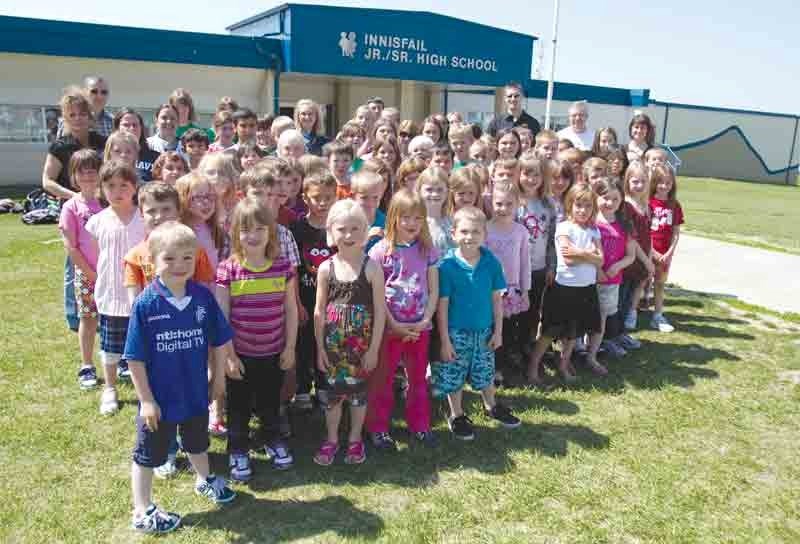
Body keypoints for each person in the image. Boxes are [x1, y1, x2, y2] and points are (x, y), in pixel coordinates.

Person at [125, 221, 236, 534]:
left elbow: (217, 340)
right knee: (148, 454)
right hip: (160, 398)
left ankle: (205, 480)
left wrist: (217, 378)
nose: (179, 265)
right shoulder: (146, 304)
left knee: (197, 441)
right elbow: (134, 357)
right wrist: (146, 400)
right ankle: (142, 509)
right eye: (169, 258)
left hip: (195, 391)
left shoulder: (202, 298)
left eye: (187, 258)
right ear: (153, 260)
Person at [216, 198, 299, 480]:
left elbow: (290, 310)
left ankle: (273, 439)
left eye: (260, 229)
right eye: (245, 229)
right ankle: (238, 449)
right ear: (234, 232)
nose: (252, 236)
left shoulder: (283, 268)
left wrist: (289, 347)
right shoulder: (227, 270)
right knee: (238, 407)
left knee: (269, 402)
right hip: (239, 354)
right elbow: (222, 316)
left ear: (271, 232)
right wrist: (229, 356)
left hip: (273, 351)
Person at [432, 206, 521, 440]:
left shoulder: (491, 262)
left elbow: (496, 300)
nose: (469, 237)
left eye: (475, 232)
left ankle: (492, 406)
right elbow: (441, 307)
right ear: (453, 234)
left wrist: (498, 331)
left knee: (485, 371)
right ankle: (457, 414)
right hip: (455, 333)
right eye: (464, 231)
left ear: (484, 234)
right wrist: (444, 341)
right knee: (454, 374)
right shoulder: (447, 266)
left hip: (483, 331)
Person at [313, 199, 386, 465]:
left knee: (357, 395)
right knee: (333, 396)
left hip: (361, 349)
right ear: (331, 232)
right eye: (342, 229)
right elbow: (319, 311)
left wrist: (374, 350)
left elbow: (380, 312)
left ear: (365, 231)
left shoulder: (372, 268)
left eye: (356, 229)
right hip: (332, 348)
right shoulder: (325, 268)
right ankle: (331, 439)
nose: (349, 235)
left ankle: (355, 439)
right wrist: (320, 348)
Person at [366, 189, 439, 449]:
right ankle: (378, 428)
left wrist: (426, 319)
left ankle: (419, 424)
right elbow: (377, 294)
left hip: (420, 327)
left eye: (418, 218)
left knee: (418, 379)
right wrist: (393, 325)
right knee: (382, 380)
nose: (412, 224)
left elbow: (433, 289)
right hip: (389, 328)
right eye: (406, 217)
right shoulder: (379, 252)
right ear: (394, 217)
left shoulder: (427, 250)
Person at [527, 184, 603, 385]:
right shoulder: (564, 227)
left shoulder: (594, 230)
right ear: (570, 205)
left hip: (585, 288)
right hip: (563, 288)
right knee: (550, 331)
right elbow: (568, 258)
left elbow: (601, 259)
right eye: (578, 205)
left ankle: (563, 365)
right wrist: (590, 255)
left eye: (588, 206)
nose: (583, 210)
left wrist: (585, 255)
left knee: (573, 333)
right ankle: (533, 367)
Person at [85, 161, 146, 414]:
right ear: (102, 188)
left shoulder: (144, 219)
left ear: (134, 187)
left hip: (140, 296)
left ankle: (146, 390)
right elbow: (98, 255)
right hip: (111, 295)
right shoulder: (98, 221)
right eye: (110, 186)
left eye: (124, 185)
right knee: (110, 348)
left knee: (143, 347)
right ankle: (110, 388)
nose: (117, 191)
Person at [290, 170, 338, 411]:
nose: (323, 203)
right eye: (317, 197)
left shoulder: (338, 229)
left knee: (325, 344)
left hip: (331, 302)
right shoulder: (297, 229)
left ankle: (323, 385)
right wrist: (297, 303)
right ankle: (301, 388)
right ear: (305, 198)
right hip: (305, 298)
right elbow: (294, 270)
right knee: (303, 345)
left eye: (328, 197)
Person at [58, 149, 104, 389]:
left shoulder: (108, 202)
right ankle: (87, 365)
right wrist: (91, 275)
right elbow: (72, 247)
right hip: (86, 274)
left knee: (115, 319)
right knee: (88, 319)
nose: (88, 175)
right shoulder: (71, 207)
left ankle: (120, 360)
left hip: (111, 273)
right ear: (74, 176)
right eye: (81, 171)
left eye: (92, 170)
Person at [516, 156, 557, 385]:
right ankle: (511, 353)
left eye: (536, 175)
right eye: (526, 173)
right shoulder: (514, 203)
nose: (531, 179)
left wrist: (552, 265)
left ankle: (527, 350)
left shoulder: (548, 206)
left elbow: (551, 240)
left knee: (533, 313)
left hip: (539, 268)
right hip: (516, 270)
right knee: (514, 314)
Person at [588, 178, 637, 371]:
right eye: (605, 198)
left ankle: (592, 354)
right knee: (584, 315)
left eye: (615, 199)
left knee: (601, 317)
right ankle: (579, 348)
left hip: (611, 281)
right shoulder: (590, 222)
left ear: (621, 200)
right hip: (588, 278)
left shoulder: (625, 225)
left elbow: (631, 255)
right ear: (596, 197)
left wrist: (616, 267)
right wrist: (597, 269)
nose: (609, 203)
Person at [486, 182, 531, 387]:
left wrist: (526, 290)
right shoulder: (485, 229)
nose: (503, 208)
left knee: (505, 333)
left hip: (512, 291)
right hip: (488, 291)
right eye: (498, 203)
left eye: (508, 204)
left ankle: (500, 369)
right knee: (488, 331)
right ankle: (486, 369)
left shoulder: (520, 231)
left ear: (517, 204)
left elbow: (524, 263)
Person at [621, 162, 655, 333]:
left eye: (643, 181)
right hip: (630, 258)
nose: (639, 185)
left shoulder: (647, 207)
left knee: (637, 288)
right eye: (635, 181)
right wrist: (644, 260)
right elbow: (631, 239)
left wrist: (649, 259)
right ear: (627, 181)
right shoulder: (626, 206)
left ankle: (630, 317)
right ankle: (616, 330)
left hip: (643, 258)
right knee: (623, 296)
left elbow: (648, 236)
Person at [649, 164, 683, 333]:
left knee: (660, 284)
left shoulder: (674, 205)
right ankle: (631, 314)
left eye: (668, 183)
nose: (664, 186)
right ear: (654, 183)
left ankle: (657, 315)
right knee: (641, 283)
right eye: (660, 182)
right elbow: (643, 231)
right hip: (647, 252)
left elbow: (676, 232)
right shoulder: (648, 203)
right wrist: (652, 252)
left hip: (665, 253)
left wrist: (669, 253)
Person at [114, 108, 159, 182]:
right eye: (126, 125)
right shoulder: (107, 156)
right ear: (117, 128)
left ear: (141, 128)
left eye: (135, 125)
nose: (132, 128)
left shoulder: (156, 158)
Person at [416, 167, 454, 253]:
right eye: (429, 190)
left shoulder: (452, 222)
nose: (435, 194)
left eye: (440, 190)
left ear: (447, 191)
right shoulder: (415, 222)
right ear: (419, 191)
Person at [351, 170, 387, 252]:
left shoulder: (385, 222)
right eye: (364, 197)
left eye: (375, 197)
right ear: (353, 196)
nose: (370, 203)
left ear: (381, 195)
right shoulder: (348, 222)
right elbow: (348, 254)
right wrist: (367, 238)